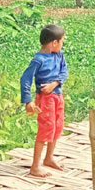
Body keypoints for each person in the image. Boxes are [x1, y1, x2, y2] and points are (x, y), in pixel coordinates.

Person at [20, 23, 69, 177]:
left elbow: (64, 71)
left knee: (57, 126)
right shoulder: (38, 60)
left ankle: (49, 158)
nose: (62, 45)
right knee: (45, 129)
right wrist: (28, 101)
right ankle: (35, 166)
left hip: (57, 96)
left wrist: (55, 83)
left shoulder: (59, 55)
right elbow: (25, 79)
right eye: (62, 42)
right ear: (54, 43)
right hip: (45, 100)